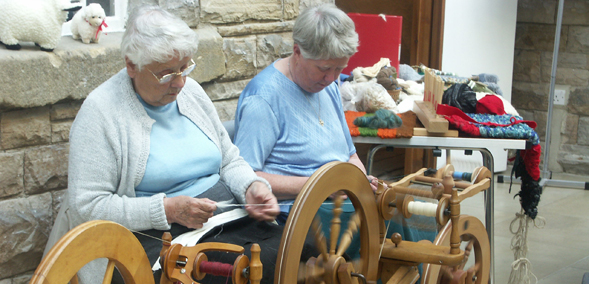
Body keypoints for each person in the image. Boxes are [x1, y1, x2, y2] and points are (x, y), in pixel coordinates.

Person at [43, 5, 296, 284]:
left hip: (223, 219)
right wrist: (166, 210)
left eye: (185, 67)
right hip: (152, 238)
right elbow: (88, 207)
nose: (179, 82)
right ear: (131, 65)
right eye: (165, 74)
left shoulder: (192, 93)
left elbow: (229, 160)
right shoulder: (100, 112)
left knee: (296, 253)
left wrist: (251, 187)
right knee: (239, 273)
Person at [233, 3, 437, 263]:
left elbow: (349, 153)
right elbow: (246, 177)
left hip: (336, 199)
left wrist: (361, 182)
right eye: (324, 69)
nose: (332, 78)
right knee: (390, 226)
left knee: (405, 209)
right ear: (297, 51)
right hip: (300, 214)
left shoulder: (325, 86)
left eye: (339, 69)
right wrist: (326, 186)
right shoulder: (263, 99)